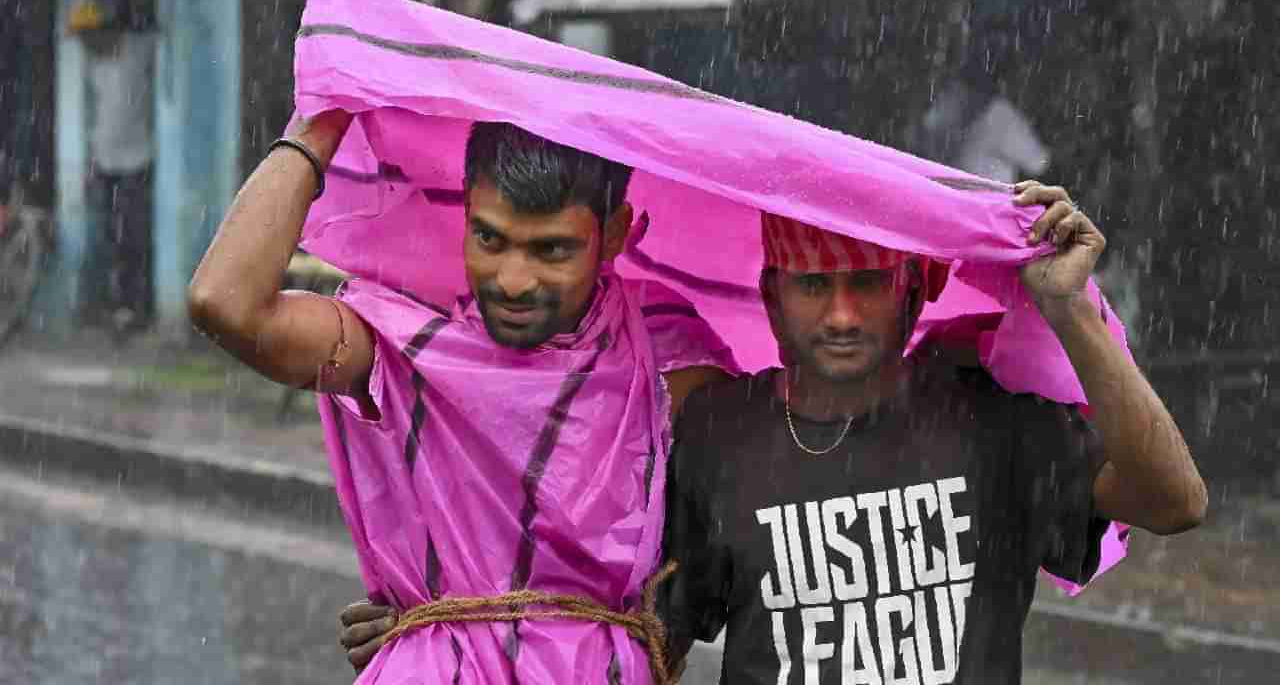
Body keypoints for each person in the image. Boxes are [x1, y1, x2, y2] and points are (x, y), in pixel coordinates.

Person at [340, 181, 1207, 683]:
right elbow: (644, 642)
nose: (840, 314)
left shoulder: (990, 419)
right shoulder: (718, 433)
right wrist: (450, 640)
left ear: (916, 289)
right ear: (768, 296)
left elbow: (1175, 500)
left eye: (867, 283)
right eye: (810, 286)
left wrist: (1072, 314)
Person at [189, 111, 737, 683]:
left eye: (552, 251)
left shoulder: (662, 355)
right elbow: (224, 304)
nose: (514, 280)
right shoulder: (407, 347)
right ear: (466, 212)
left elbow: (741, 524)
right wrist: (321, 124)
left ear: (616, 235)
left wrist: (623, 632)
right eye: (489, 239)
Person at [69, 0, 156, 338]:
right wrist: (91, 162)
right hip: (105, 165)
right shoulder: (94, 66)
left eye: (88, 37)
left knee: (134, 237)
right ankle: (114, 305)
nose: (85, 45)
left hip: (137, 162)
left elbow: (159, 35)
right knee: (109, 237)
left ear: (102, 31)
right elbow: (95, 118)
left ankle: (135, 306)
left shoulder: (137, 50)